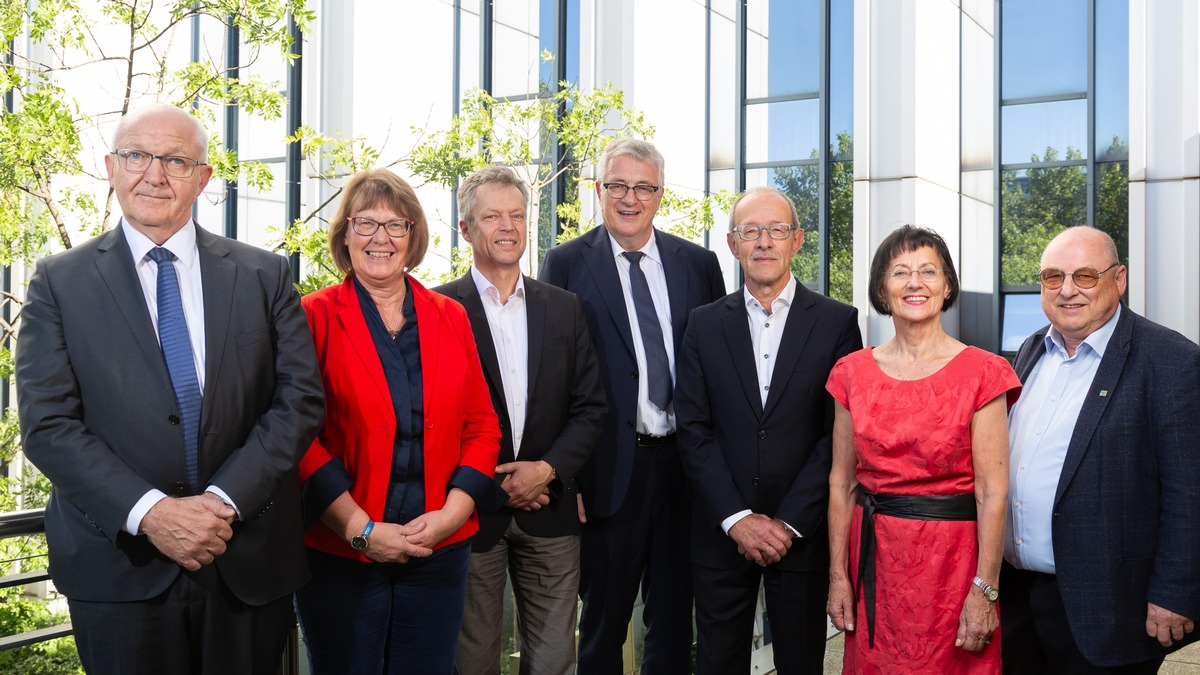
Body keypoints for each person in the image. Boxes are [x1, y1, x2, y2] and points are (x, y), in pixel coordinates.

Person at [14, 104, 326, 674]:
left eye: (176, 160)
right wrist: (154, 514)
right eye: (136, 156)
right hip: (119, 569)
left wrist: (220, 504)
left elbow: (299, 401)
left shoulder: (265, 274)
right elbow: (49, 425)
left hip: (246, 560)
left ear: (203, 178)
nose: (153, 174)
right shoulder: (58, 282)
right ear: (111, 166)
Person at [294, 168, 501, 674]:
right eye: (365, 224)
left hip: (438, 552)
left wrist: (452, 515)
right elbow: (297, 437)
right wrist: (359, 529)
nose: (380, 238)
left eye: (396, 225)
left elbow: (482, 426)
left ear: (414, 236)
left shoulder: (450, 315)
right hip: (341, 556)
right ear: (345, 234)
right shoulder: (311, 316)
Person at [538, 138, 726, 674]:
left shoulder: (699, 263)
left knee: (672, 620)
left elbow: (715, 370)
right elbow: (554, 381)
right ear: (599, 190)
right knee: (602, 622)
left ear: (660, 195)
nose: (629, 198)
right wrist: (565, 480)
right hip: (606, 472)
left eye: (643, 187)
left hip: (685, 470)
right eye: (617, 185)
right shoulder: (567, 263)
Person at [674, 186, 862, 674]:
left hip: (801, 535)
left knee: (800, 663)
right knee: (718, 663)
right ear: (733, 244)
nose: (763, 242)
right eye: (750, 231)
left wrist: (788, 523)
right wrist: (737, 518)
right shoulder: (702, 324)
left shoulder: (838, 323)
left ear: (796, 240)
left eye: (776, 230)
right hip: (722, 534)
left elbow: (838, 436)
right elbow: (693, 430)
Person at [1001, 226, 1200, 674]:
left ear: (1119, 279)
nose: (1067, 290)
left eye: (1085, 276)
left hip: (1108, 609)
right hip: (1017, 600)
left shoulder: (1171, 361)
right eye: (1053, 277)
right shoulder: (1032, 348)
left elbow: (1190, 495)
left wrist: (1176, 593)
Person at [433, 165, 607, 675]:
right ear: (466, 228)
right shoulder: (438, 308)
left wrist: (547, 471)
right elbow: (431, 419)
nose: (507, 227)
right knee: (471, 662)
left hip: (549, 508)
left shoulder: (565, 307)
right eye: (492, 216)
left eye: (517, 215)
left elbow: (590, 407)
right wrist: (491, 484)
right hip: (467, 513)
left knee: (554, 661)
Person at [825, 225, 1020, 674]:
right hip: (875, 563)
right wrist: (838, 576)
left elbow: (993, 492)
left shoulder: (984, 372)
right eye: (900, 272)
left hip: (953, 566)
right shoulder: (850, 373)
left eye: (928, 271)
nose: (915, 282)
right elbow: (842, 483)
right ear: (881, 288)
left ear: (947, 284)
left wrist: (985, 588)